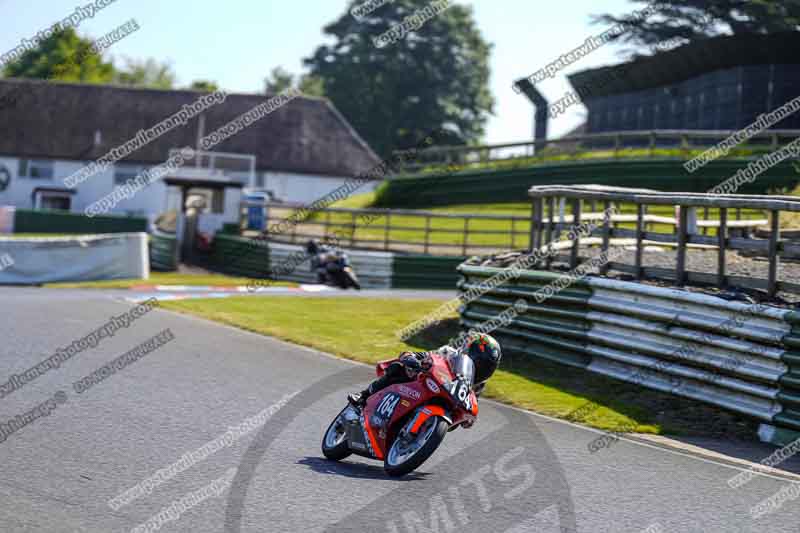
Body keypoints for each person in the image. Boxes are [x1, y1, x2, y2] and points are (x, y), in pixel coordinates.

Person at [348, 333, 502, 408]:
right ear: (467, 351)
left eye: (487, 366)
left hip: (438, 405)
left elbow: (464, 415)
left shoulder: (479, 387)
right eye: (478, 361)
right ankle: (363, 395)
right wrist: (414, 359)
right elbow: (428, 355)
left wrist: (468, 418)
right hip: (421, 385)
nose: (480, 367)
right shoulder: (449, 352)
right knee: (399, 368)